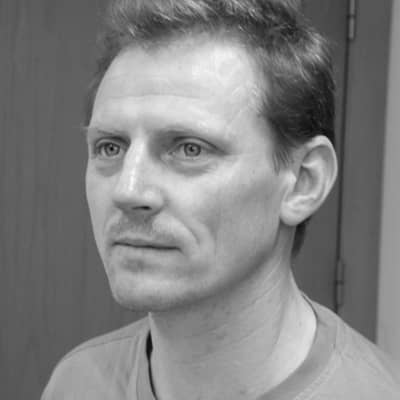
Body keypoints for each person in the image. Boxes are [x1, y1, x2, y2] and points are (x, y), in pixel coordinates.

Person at [42, 0, 400, 399]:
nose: (128, 190)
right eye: (110, 147)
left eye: (189, 149)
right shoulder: (75, 383)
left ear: (304, 182)